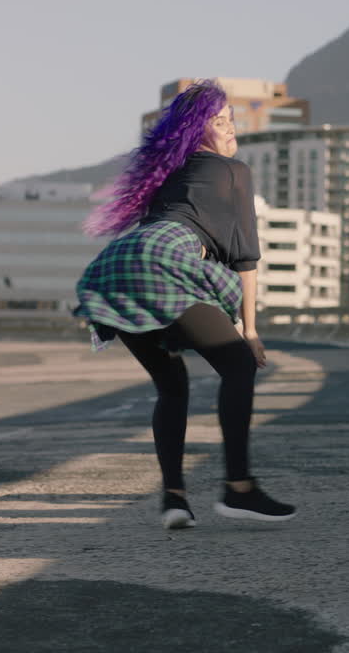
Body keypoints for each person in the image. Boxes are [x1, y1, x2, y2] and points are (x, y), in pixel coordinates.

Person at [73, 79, 295, 530]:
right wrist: (249, 331)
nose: (231, 130)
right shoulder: (233, 172)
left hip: (117, 263)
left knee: (172, 386)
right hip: (166, 261)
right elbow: (246, 258)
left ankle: (174, 499)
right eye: (220, 122)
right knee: (238, 365)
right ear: (198, 133)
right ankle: (239, 488)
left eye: (232, 120)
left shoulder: (168, 174)